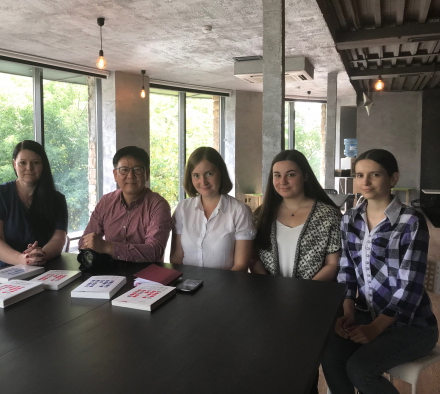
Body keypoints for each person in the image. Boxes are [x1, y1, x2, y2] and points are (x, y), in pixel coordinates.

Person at [322, 149, 438, 394]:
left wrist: (375, 328)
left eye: (374, 174)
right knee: (330, 356)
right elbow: (346, 269)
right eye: (359, 175)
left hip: (412, 326)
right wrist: (348, 311)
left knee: (360, 369)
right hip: (365, 315)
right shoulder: (350, 219)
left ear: (393, 178)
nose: (365, 182)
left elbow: (411, 287)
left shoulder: (411, 221)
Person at [0, 140, 68, 276]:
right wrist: (22, 259)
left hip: (34, 270)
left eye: (35, 162)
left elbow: (58, 239)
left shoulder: (57, 200)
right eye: (23, 163)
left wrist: (40, 255)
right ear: (14, 164)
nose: (29, 168)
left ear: (43, 165)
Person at [250, 150, 341, 280]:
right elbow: (254, 258)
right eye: (277, 175)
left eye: (291, 175)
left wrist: (305, 290)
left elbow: (332, 264)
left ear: (305, 176)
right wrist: (267, 286)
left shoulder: (328, 215)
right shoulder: (262, 214)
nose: (283, 181)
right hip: (269, 290)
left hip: (314, 290)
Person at [79, 145, 172, 262]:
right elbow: (85, 241)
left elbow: (154, 251)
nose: (130, 175)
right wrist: (89, 245)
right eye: (124, 170)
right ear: (115, 175)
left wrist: (107, 247)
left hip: (146, 272)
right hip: (109, 269)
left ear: (147, 174)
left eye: (137, 169)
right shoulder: (106, 201)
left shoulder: (158, 205)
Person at [170, 147, 255, 271]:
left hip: (226, 281)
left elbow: (241, 265)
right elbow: (176, 257)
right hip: (186, 281)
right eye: (196, 175)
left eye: (209, 174)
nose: (203, 181)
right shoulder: (183, 209)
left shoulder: (240, 211)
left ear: (221, 173)